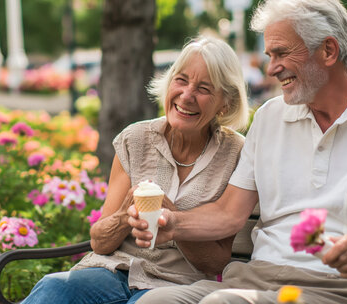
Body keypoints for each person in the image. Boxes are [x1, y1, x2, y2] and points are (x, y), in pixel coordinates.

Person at [130, 0, 347, 304]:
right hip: (261, 279)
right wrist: (173, 223)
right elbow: (228, 213)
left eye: (282, 53)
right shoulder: (270, 118)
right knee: (154, 302)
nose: (271, 68)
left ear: (328, 51)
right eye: (270, 55)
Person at [21, 36, 249, 304]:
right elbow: (100, 242)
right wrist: (125, 214)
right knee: (54, 288)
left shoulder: (236, 154)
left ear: (226, 103)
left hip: (175, 285)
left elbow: (218, 262)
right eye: (181, 80)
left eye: (204, 88)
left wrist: (172, 220)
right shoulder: (136, 138)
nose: (186, 95)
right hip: (111, 273)